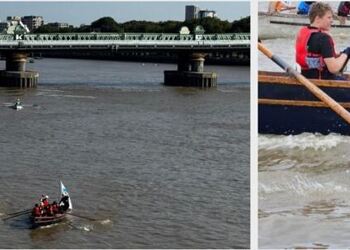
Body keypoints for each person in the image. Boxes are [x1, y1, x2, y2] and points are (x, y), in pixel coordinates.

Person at [295, 2, 350, 80]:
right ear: (318, 18)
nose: (332, 21)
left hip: (307, 78)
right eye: (329, 17)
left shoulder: (304, 33)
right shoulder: (323, 38)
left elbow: (317, 56)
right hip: (323, 81)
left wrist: (341, 55)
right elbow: (333, 69)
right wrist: (347, 52)